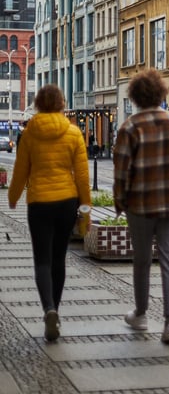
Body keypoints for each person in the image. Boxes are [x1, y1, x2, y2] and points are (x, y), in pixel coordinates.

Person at [113, 69, 169, 345]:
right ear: (162, 94)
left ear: (135, 96)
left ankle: (140, 314)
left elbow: (121, 171)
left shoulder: (129, 127)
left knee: (141, 260)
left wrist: (119, 201)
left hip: (140, 203)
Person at [8, 84, 91, 342]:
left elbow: (21, 168)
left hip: (40, 202)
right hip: (67, 201)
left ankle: (49, 309)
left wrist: (12, 197)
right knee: (59, 259)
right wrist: (85, 210)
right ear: (62, 103)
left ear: (39, 104)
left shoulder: (30, 131)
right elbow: (82, 175)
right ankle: (56, 307)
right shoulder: (74, 132)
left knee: (42, 260)